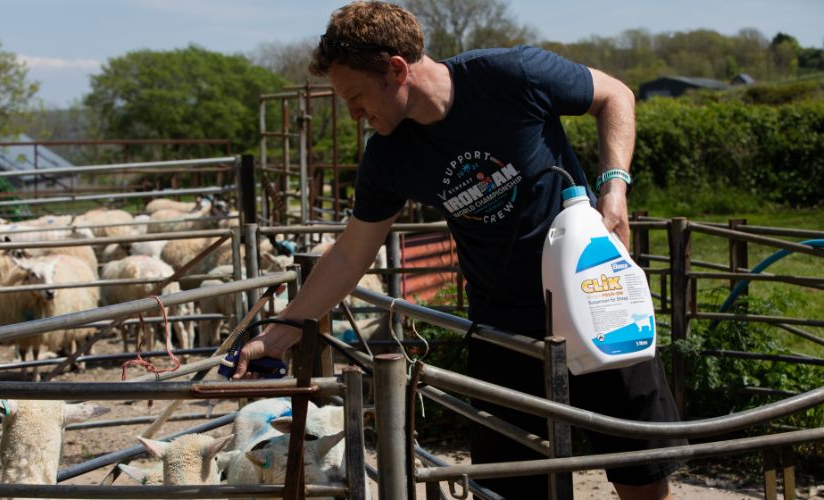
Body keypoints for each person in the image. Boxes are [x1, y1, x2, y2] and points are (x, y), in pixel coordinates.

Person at [235, 2, 685, 498]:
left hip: (596, 295)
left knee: (640, 475)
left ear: (397, 70)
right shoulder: (389, 156)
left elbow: (615, 95)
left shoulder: (510, 75)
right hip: (502, 324)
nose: (356, 114)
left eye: (356, 97)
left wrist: (614, 186)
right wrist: (279, 335)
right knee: (512, 488)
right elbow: (350, 254)